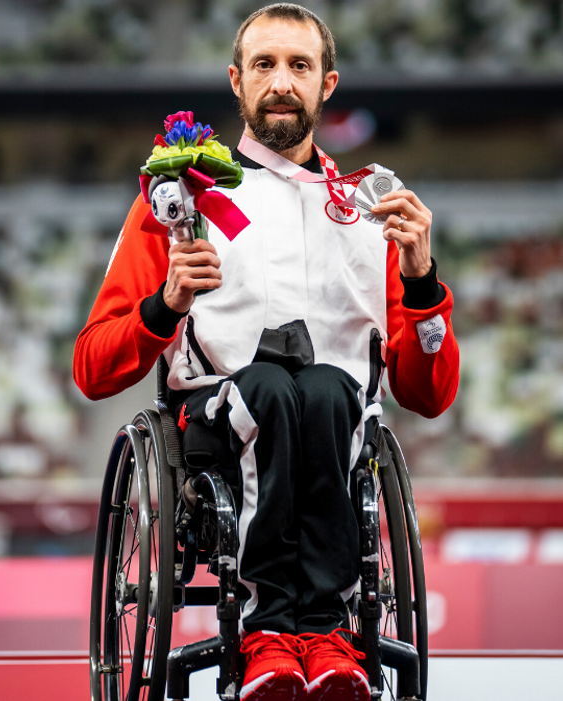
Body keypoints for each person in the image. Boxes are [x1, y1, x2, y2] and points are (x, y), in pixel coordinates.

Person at [73, 5, 459, 701]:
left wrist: (423, 281)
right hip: (218, 429)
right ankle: (270, 629)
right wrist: (165, 305)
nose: (281, 81)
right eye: (264, 64)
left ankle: (320, 632)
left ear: (326, 84)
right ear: (235, 80)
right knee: (272, 389)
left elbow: (426, 394)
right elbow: (93, 368)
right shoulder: (181, 199)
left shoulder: (372, 209)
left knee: (321, 390)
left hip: (338, 422)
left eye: (299, 66)